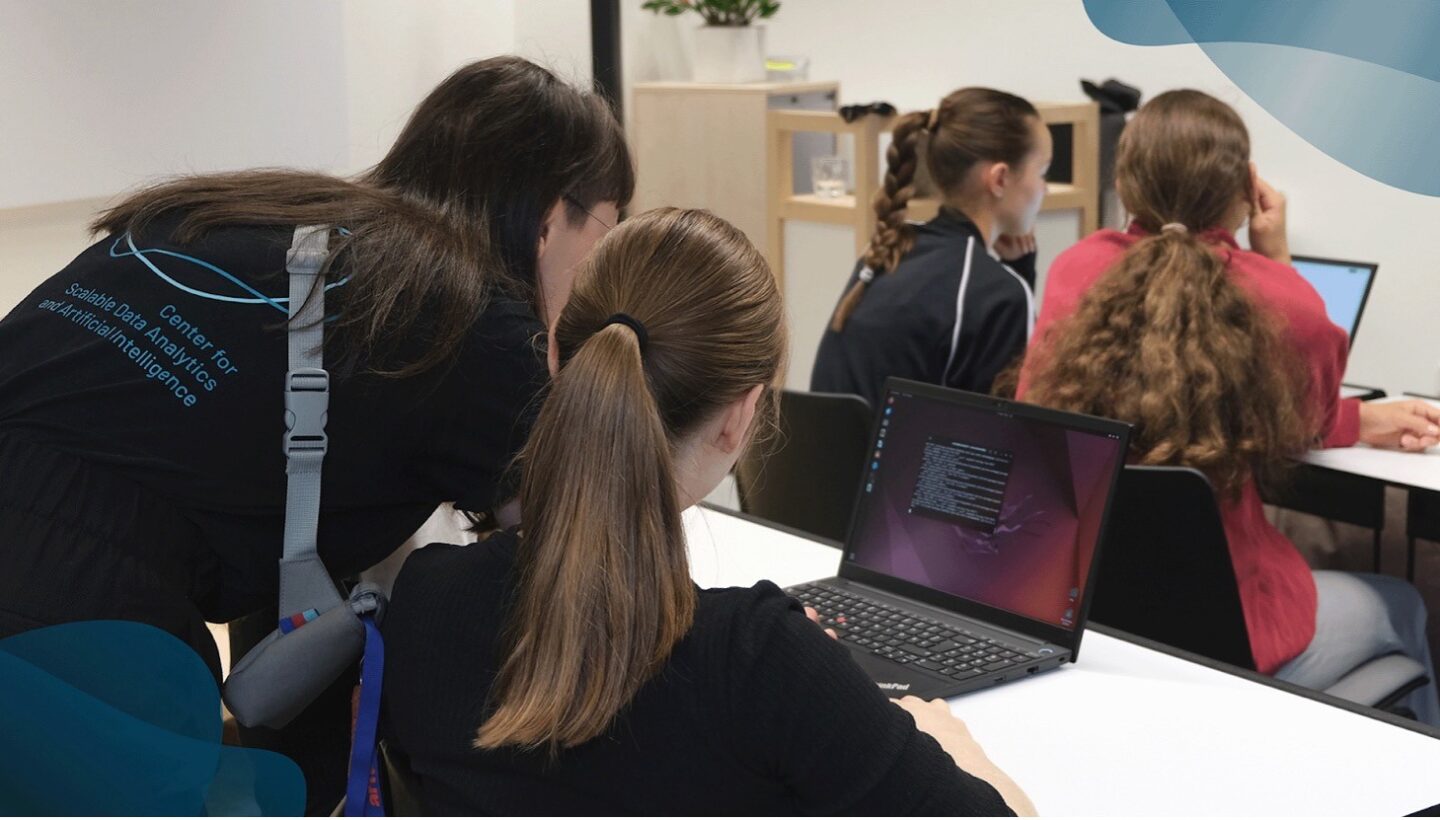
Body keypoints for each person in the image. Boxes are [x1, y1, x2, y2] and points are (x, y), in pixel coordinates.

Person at [0, 55, 631, 807]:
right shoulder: (472, 321)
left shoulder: (259, 215)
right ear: (549, 216)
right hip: (76, 618)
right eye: (606, 232)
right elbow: (580, 540)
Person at [382, 208, 1035, 815]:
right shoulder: (758, 660)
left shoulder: (425, 597)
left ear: (556, 353)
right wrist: (942, 743)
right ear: (741, 416)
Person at [1019, 89, 1440, 724]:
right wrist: (1276, 253)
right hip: (1229, 629)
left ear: (1127, 183)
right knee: (1404, 602)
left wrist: (1364, 419)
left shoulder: (1077, 269)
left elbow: (1039, 412)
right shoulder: (1276, 296)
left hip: (1086, 611)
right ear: (1244, 188)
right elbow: (1312, 413)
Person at [811, 88, 1052, 407]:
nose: (1044, 189)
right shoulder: (996, 293)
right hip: (901, 457)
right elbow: (994, 441)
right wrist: (1016, 278)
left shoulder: (892, 249)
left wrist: (1014, 272)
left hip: (827, 456)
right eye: (1042, 171)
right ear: (999, 179)